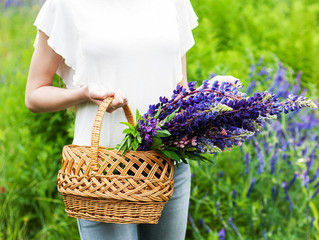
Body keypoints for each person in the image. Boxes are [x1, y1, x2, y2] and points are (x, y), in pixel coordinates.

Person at [25, 0, 238, 239]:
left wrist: (208, 95)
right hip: (102, 172)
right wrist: (83, 93)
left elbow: (178, 91)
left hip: (167, 164)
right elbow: (34, 95)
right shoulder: (65, 5)